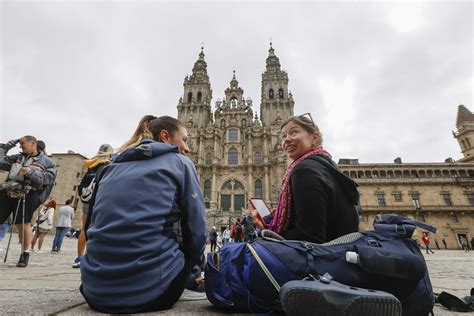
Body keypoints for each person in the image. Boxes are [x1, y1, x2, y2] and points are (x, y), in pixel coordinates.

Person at [80, 115, 206, 313]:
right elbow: (198, 232)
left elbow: (88, 228)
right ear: (165, 136)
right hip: (155, 294)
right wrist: (194, 265)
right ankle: (193, 276)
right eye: (184, 140)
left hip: (93, 291)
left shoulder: (107, 169)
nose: (188, 148)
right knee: (185, 227)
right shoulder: (181, 164)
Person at [251, 114, 359, 243]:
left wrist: (266, 232)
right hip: (342, 251)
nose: (286, 140)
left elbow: (309, 238)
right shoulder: (325, 164)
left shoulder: (304, 170)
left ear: (314, 137)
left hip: (326, 256)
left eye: (293, 132)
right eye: (283, 136)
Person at [0, 136, 56, 267]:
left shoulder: (46, 161)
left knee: (23, 225)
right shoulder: (16, 157)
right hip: (8, 191)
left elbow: (49, 179)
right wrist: (5, 147)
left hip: (28, 193)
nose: (21, 146)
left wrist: (31, 172)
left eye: (23, 144)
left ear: (33, 144)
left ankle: (25, 254)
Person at [73, 144, 113, 268]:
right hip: (101, 200)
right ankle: (95, 258)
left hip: (87, 201)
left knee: (85, 229)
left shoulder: (92, 165)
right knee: (101, 228)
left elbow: (82, 185)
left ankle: (79, 258)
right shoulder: (109, 165)